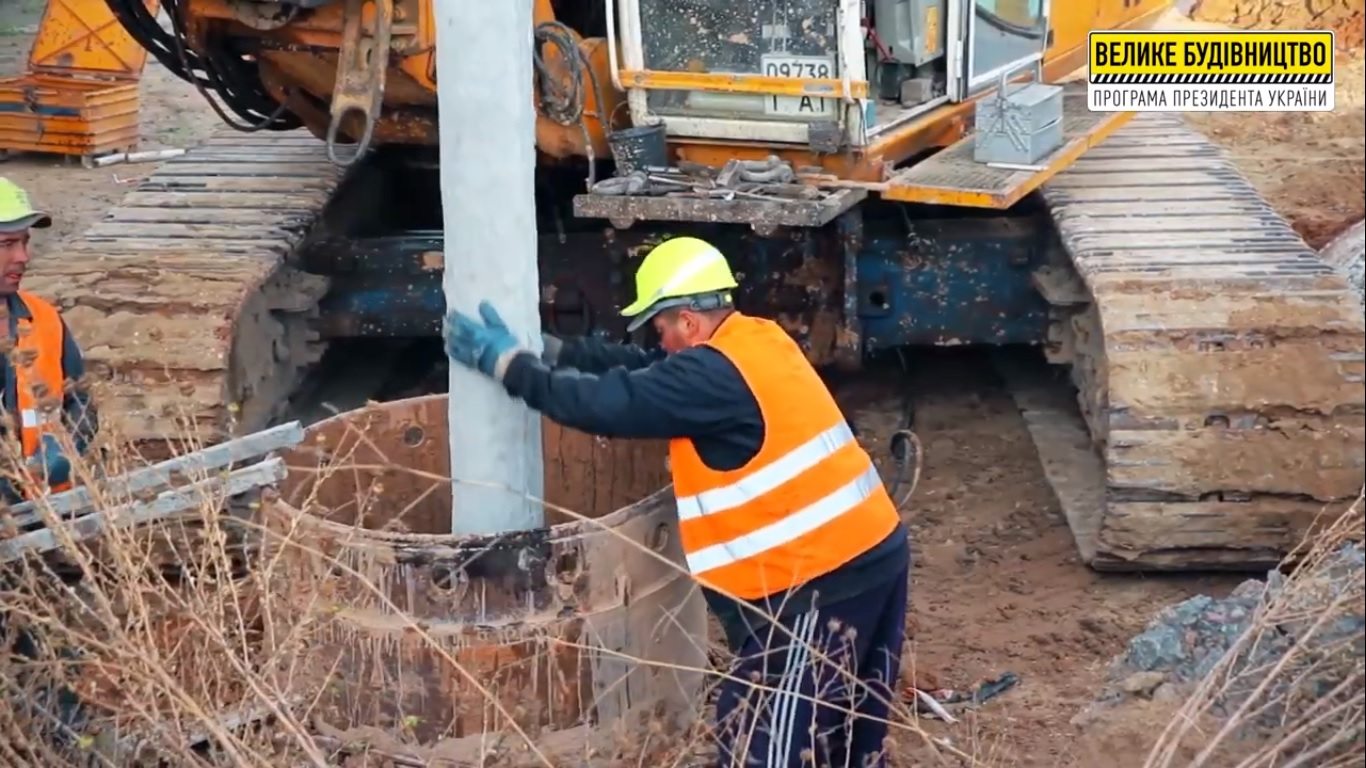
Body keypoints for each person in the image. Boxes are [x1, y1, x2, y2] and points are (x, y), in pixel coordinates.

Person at [443, 236, 912, 767]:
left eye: (660, 327)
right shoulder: (756, 341)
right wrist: (562, 354)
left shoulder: (706, 377)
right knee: (845, 733)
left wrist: (510, 366)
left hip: (816, 586)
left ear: (688, 321)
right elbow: (643, 366)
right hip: (873, 552)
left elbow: (604, 405)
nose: (658, 341)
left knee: (762, 742)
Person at [0, 177, 96, 502]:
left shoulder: (43, 319)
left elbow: (80, 404)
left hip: (43, 517)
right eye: (7, 244)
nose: (22, 256)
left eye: (24, 243)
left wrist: (65, 447)